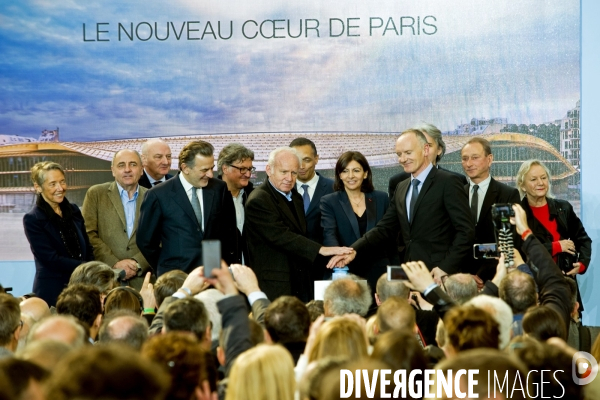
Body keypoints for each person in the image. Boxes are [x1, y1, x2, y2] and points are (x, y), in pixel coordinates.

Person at [329, 129, 474, 282]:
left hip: (441, 276)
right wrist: (353, 251)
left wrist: (445, 268)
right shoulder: (401, 187)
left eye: (408, 153)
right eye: (399, 154)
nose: (403, 159)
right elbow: (384, 228)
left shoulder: (448, 182)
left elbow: (466, 231)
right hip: (410, 276)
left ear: (425, 150)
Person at [244, 147, 352, 301]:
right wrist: (321, 249)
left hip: (299, 281)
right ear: (269, 170)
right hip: (275, 285)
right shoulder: (259, 200)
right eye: (284, 172)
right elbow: (282, 236)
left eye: (294, 173)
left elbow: (300, 235)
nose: (289, 178)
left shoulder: (295, 196)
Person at [137, 140, 237, 275]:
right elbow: (145, 242)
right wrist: (165, 267)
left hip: (213, 276)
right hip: (177, 278)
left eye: (211, 168)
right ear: (185, 168)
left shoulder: (219, 189)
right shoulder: (158, 195)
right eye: (204, 170)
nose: (210, 174)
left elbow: (229, 233)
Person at [517, 159, 592, 310]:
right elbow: (520, 251)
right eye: (533, 179)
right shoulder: (518, 214)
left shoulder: (563, 208)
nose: (540, 183)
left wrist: (582, 263)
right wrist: (556, 246)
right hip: (534, 288)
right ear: (522, 185)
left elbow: (583, 239)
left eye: (544, 178)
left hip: (565, 285)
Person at [321, 151, 396, 288]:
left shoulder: (381, 198)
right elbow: (329, 233)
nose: (351, 176)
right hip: (346, 269)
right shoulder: (329, 201)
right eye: (345, 171)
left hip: (379, 272)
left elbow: (388, 235)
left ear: (365, 173)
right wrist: (340, 257)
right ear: (339, 175)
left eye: (356, 170)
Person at [23, 161, 94, 306]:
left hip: (83, 288)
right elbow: (51, 259)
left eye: (62, 182)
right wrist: (86, 268)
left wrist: (92, 269)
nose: (60, 188)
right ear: (38, 187)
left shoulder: (74, 210)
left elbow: (87, 246)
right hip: (53, 292)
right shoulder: (33, 219)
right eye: (53, 184)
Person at [82, 149, 150, 290]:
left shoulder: (153, 196)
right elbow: (88, 233)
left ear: (142, 169)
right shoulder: (96, 194)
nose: (127, 170)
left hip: (143, 282)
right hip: (106, 280)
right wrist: (114, 264)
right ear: (113, 170)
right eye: (121, 165)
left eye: (133, 164)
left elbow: (160, 237)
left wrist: (137, 263)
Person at [461, 137, 520, 279]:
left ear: (489, 159)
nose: (469, 164)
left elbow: (510, 240)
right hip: (462, 278)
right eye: (465, 158)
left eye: (475, 158)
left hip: (495, 275)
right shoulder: (456, 194)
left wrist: (482, 274)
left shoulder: (507, 194)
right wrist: (466, 276)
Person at [290, 138, 335, 281]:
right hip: (290, 269)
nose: (301, 166)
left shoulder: (334, 189)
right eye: (297, 160)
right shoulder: (282, 190)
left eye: (307, 160)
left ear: (316, 159)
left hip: (324, 268)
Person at [387, 122, 467, 199]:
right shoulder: (397, 182)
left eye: (428, 146)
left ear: (439, 149)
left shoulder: (456, 180)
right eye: (418, 146)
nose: (424, 151)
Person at [217, 143, 255, 264]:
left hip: (249, 273)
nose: (248, 174)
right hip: (220, 275)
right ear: (225, 168)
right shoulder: (211, 198)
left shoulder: (253, 196)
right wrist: (211, 275)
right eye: (242, 169)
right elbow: (208, 241)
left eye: (250, 169)